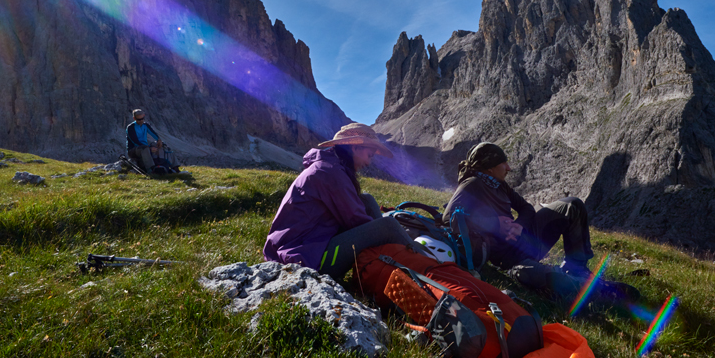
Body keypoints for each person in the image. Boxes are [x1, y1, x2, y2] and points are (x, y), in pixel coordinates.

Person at [443, 142, 635, 301]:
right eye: (503, 163)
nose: (508, 168)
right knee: (543, 276)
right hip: (507, 256)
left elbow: (526, 208)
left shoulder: (499, 184)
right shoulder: (473, 184)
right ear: (490, 167)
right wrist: (495, 224)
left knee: (572, 206)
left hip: (523, 238)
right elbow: (449, 215)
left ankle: (577, 268)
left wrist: (519, 226)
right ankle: (596, 292)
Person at [264, 123, 429, 281]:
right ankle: (429, 266)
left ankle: (388, 260)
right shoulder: (330, 172)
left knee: (367, 200)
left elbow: (355, 213)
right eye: (369, 155)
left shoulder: (328, 166)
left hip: (308, 246)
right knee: (388, 226)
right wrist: (384, 233)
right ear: (355, 147)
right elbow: (356, 221)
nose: (369, 162)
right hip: (303, 258)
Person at [126, 109, 169, 174]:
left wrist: (159, 140)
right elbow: (135, 141)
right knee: (145, 148)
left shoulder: (145, 125)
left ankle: (173, 167)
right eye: (139, 119)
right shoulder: (130, 127)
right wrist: (149, 148)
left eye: (142, 119)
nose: (141, 121)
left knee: (162, 145)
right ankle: (151, 169)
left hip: (144, 147)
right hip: (133, 150)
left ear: (144, 116)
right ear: (134, 118)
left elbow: (153, 133)